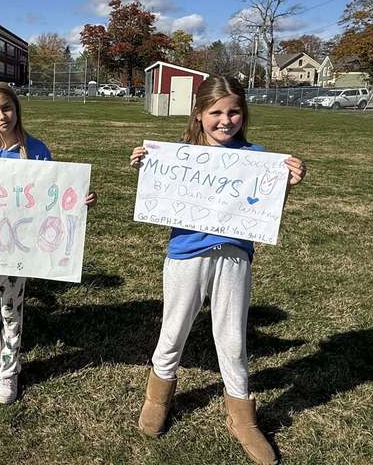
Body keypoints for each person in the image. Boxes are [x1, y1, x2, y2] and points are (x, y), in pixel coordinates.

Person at [129, 75, 306, 465]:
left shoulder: (257, 158)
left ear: (243, 113)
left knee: (232, 337)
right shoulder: (179, 156)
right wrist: (147, 166)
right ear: (199, 115)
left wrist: (287, 183)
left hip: (234, 257)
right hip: (186, 254)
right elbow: (160, 195)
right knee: (173, 329)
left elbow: (263, 207)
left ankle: (243, 418)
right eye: (216, 113)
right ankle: (157, 396)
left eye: (234, 112)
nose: (225, 121)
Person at [0, 81, 97, 404]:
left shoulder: (36, 150)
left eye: (6, 108)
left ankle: (9, 370)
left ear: (17, 108)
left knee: (10, 308)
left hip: (21, 249)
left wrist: (79, 199)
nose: (1, 116)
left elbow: (55, 195)